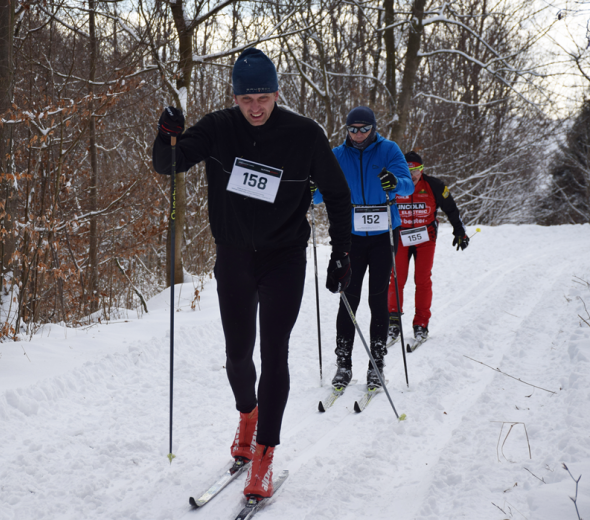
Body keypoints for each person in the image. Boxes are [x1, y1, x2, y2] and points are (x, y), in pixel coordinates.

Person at [152, 48, 352, 500]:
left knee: (274, 353)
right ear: (235, 98)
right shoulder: (219, 128)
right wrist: (166, 134)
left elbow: (339, 198)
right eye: (247, 99)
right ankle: (248, 416)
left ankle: (264, 453)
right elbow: (170, 164)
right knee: (238, 356)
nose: (256, 107)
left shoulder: (304, 134)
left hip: (284, 258)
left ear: (278, 92)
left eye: (263, 96)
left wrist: (343, 253)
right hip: (235, 257)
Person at [324, 106, 414, 391]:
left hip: (383, 233)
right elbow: (317, 195)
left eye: (364, 129)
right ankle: (343, 363)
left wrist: (394, 182)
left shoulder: (388, 150)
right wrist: (310, 186)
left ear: (374, 128)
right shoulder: (337, 155)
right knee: (348, 299)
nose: (359, 134)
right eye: (353, 129)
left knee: (378, 297)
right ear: (346, 129)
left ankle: (377, 362)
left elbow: (407, 186)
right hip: (351, 236)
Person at [387, 151, 469, 342]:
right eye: (407, 171)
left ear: (422, 170)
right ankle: (393, 322)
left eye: (415, 170)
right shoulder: (394, 185)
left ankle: (421, 324)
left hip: (425, 238)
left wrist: (459, 230)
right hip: (400, 236)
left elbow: (451, 208)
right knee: (396, 278)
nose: (412, 175)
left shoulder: (435, 185)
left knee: (422, 279)